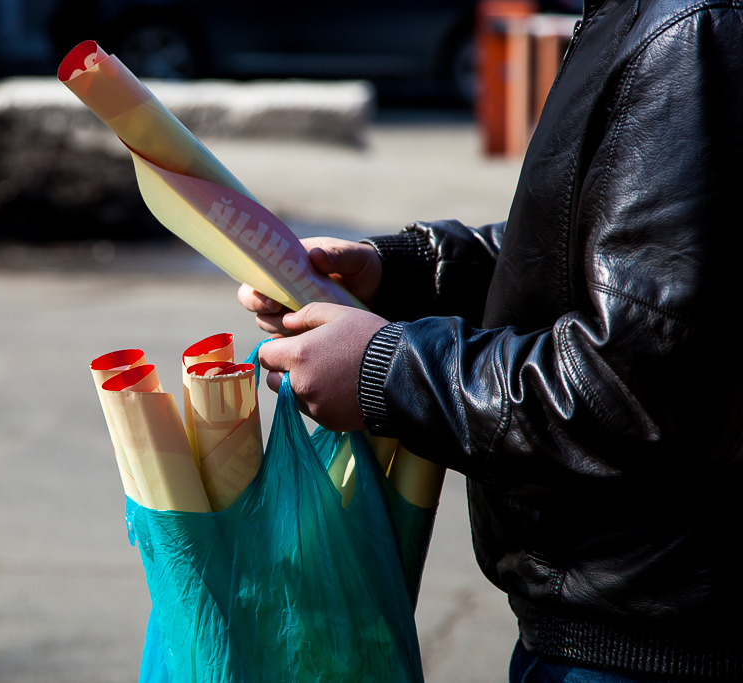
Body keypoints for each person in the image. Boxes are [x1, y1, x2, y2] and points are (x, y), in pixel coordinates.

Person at [239, 0, 743, 680]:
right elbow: (587, 254)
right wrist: (404, 273)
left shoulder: (698, 28)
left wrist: (387, 369)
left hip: (650, 643)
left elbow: (635, 383)